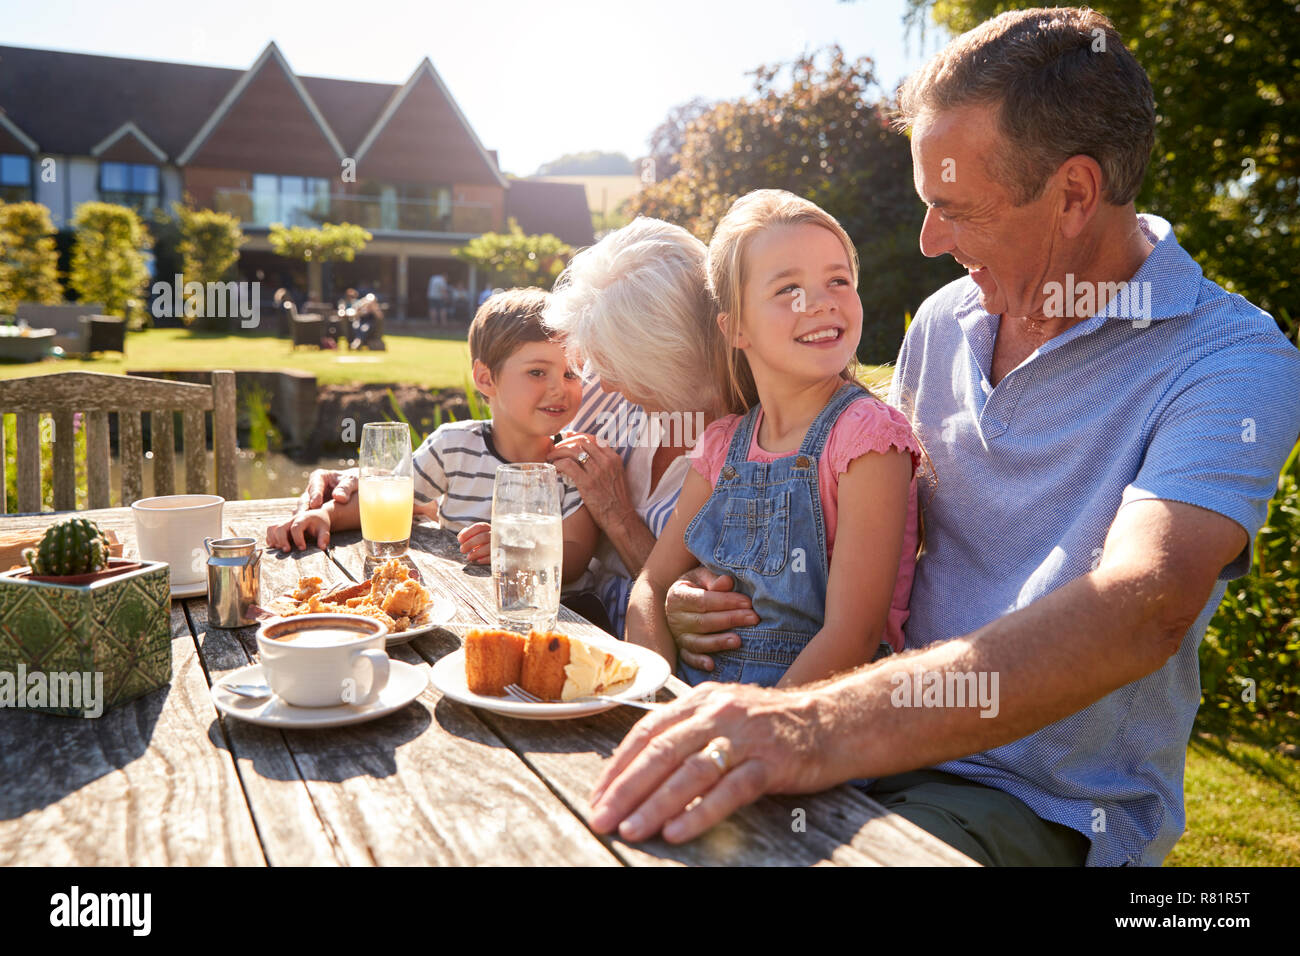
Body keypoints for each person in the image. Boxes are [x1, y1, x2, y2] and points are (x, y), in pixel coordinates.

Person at [588, 7, 1300, 866]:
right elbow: (828, 497)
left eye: (954, 208)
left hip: (1028, 805)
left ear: (1075, 193)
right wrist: (699, 590)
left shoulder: (1230, 359)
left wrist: (808, 723)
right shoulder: (943, 322)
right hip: (860, 741)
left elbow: (1143, 606)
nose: (929, 241)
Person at [298, 219, 728, 638]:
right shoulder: (602, 392)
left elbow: (684, 600)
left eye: (616, 365)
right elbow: (435, 475)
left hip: (591, 629)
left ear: (674, 352)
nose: (600, 380)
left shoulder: (745, 443)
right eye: (595, 363)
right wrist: (362, 486)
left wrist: (615, 515)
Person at [626, 191, 920, 689]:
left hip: (805, 731)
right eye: (788, 288)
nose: (822, 301)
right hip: (696, 707)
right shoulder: (722, 446)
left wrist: (749, 733)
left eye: (838, 280)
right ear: (736, 327)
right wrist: (653, 697)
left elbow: (853, 635)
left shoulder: (866, 439)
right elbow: (649, 587)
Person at [266, 288, 599, 590]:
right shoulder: (454, 446)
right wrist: (325, 517)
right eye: (538, 372)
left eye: (571, 373)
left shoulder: (573, 462)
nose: (560, 387)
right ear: (486, 379)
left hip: (554, 619)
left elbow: (576, 555)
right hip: (468, 603)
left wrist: (512, 547)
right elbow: (391, 499)